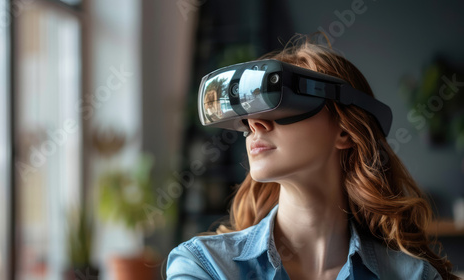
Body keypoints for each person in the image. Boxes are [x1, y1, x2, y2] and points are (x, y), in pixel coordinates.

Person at [166, 34, 459, 280]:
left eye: (278, 104)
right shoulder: (204, 266)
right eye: (247, 116)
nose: (254, 124)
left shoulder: (413, 275)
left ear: (344, 132)